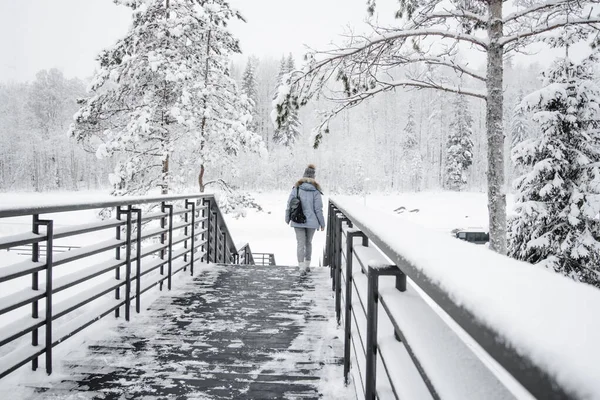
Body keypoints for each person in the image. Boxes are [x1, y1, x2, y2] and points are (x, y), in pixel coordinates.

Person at [285, 164, 325, 273]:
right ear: (313, 177)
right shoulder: (316, 192)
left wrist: (287, 218)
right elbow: (318, 209)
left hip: (297, 220)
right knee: (309, 243)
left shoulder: (296, 189)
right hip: (312, 222)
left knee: (300, 243)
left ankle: (301, 266)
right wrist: (322, 223)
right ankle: (307, 265)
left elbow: (289, 204)